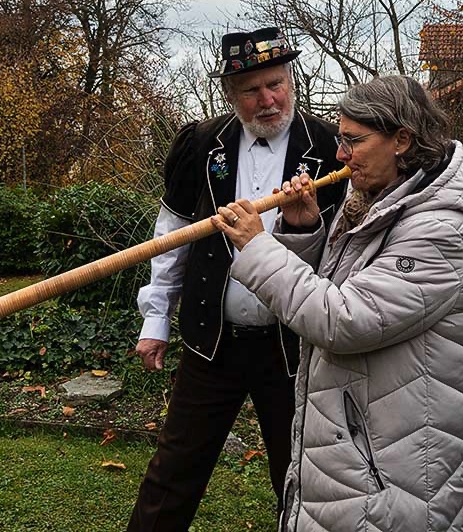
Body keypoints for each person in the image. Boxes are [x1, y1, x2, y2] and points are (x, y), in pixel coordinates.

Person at [213, 75, 463, 531]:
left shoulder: (443, 230)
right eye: (341, 139)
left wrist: (257, 246)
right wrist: (304, 231)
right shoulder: (378, 202)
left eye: (353, 141)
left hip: (394, 468)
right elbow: (339, 287)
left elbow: (343, 319)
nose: (340, 155)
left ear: (401, 140)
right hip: (359, 444)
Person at [127, 27, 347, 531]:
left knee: (300, 476)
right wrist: (156, 320)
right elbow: (171, 237)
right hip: (212, 342)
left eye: (276, 84)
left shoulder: (331, 149)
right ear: (230, 93)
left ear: (291, 80)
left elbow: (347, 249)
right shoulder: (201, 145)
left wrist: (306, 226)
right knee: (172, 473)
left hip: (295, 349)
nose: (267, 100)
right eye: (251, 90)